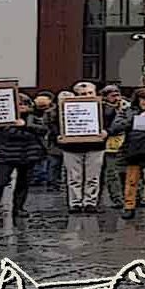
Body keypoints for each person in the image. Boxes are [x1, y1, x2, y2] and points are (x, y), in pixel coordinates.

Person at [109, 88, 145, 220]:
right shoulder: (128, 111)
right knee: (131, 180)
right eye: (144, 99)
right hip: (133, 149)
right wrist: (135, 120)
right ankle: (129, 206)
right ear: (138, 100)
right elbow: (115, 127)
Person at [0, 94, 48, 219]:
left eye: (25, 104)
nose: (23, 107)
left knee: (23, 182)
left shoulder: (35, 117)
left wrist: (25, 126)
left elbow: (43, 130)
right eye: (20, 104)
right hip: (6, 154)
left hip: (28, 153)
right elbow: (2, 133)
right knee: (0, 182)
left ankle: (19, 207)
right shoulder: (3, 118)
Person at [52, 82, 108, 214]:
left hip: (95, 146)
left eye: (90, 93)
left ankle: (90, 203)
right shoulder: (63, 108)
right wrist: (57, 136)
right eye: (83, 94)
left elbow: (115, 123)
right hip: (72, 147)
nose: (87, 96)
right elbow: (53, 124)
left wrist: (107, 131)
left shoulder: (105, 108)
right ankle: (75, 203)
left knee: (93, 177)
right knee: (74, 178)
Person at [100, 85, 129, 210]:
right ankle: (117, 199)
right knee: (112, 173)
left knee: (129, 172)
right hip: (109, 144)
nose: (117, 98)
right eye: (113, 96)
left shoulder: (127, 106)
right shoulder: (101, 108)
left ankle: (135, 197)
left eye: (118, 95)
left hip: (126, 141)